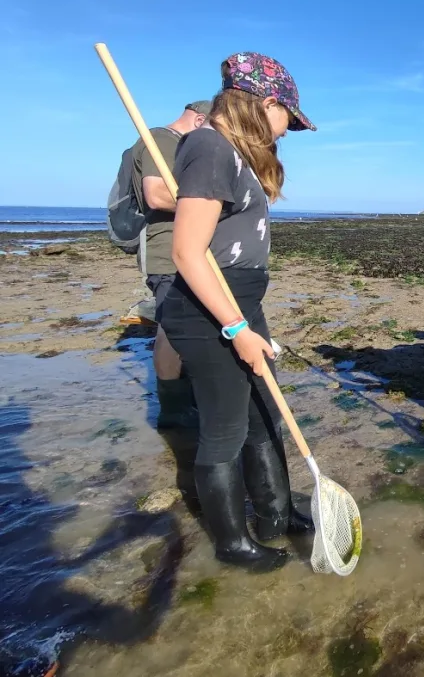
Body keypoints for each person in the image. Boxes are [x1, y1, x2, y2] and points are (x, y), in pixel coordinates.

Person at [159, 52, 317, 571]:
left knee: (265, 413)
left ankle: (276, 513)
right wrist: (237, 329)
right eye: (288, 119)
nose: (289, 131)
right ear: (267, 103)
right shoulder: (207, 146)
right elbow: (186, 251)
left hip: (241, 303)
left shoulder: (233, 152)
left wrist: (246, 320)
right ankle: (232, 545)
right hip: (209, 313)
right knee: (225, 429)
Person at [129, 100, 212, 429]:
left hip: (188, 248)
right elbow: (158, 195)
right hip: (168, 251)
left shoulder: (179, 145)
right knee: (174, 328)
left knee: (191, 324)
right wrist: (218, 201)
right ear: (201, 119)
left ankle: (188, 395)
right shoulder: (162, 140)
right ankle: (172, 409)